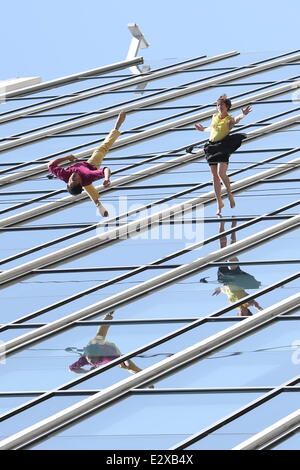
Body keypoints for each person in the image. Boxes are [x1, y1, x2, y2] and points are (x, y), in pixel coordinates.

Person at [47, 111, 126, 217]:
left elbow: (50, 165)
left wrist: (67, 158)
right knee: (101, 149)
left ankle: (98, 204)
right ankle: (117, 127)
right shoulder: (88, 176)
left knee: (89, 188)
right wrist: (106, 179)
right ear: (80, 182)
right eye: (74, 180)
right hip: (91, 165)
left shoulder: (65, 176)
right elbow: (105, 169)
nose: (72, 178)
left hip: (81, 169)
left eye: (70, 180)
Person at [194, 95, 251, 215]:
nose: (219, 107)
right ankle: (219, 202)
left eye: (222, 105)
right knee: (214, 176)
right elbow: (212, 128)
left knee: (221, 173)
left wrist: (243, 114)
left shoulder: (229, 119)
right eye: (218, 105)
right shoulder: (214, 116)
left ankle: (229, 194)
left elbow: (236, 120)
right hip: (211, 147)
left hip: (222, 146)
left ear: (227, 107)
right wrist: (202, 129)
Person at [200, 219, 263, 316]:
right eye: (244, 314)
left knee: (223, 249)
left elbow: (227, 291)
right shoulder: (248, 303)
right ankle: (233, 227)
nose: (241, 313)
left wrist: (219, 289)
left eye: (240, 314)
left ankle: (222, 224)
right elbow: (256, 304)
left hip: (225, 278)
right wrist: (260, 311)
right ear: (248, 312)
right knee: (230, 253)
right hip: (235, 276)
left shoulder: (233, 305)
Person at [68, 312, 143, 375]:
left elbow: (123, 360)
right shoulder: (84, 360)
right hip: (97, 346)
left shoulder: (108, 356)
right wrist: (87, 372)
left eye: (92, 358)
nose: (90, 360)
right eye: (89, 357)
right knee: (98, 338)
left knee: (127, 366)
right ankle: (142, 376)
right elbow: (71, 369)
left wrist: (125, 359)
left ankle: (142, 375)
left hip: (111, 350)